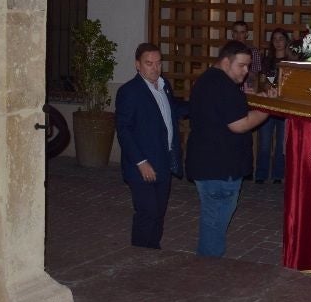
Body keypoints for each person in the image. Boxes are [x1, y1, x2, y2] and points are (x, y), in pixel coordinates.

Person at [186, 40, 270, 257]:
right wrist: (266, 110)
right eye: (241, 65)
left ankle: (207, 264)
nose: (246, 71)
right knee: (214, 224)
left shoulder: (207, 80)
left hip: (209, 164)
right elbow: (239, 124)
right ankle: (209, 270)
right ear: (225, 62)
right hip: (219, 168)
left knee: (213, 222)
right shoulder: (222, 85)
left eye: (248, 66)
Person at [115, 43, 187, 249]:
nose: (155, 68)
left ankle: (153, 251)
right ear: (138, 65)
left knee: (159, 213)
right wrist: (141, 161)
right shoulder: (129, 91)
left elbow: (172, 111)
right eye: (149, 63)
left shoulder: (164, 85)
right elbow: (124, 129)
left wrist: (201, 106)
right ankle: (139, 255)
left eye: (158, 63)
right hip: (142, 166)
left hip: (163, 160)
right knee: (147, 213)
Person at [254, 28, 297, 183]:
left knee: (281, 144)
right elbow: (264, 81)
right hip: (268, 105)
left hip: (284, 106)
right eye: (275, 39)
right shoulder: (267, 60)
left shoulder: (291, 60)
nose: (278, 42)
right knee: (265, 142)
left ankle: (278, 174)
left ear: (286, 41)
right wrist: (269, 87)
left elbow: (293, 84)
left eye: (281, 38)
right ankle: (261, 174)